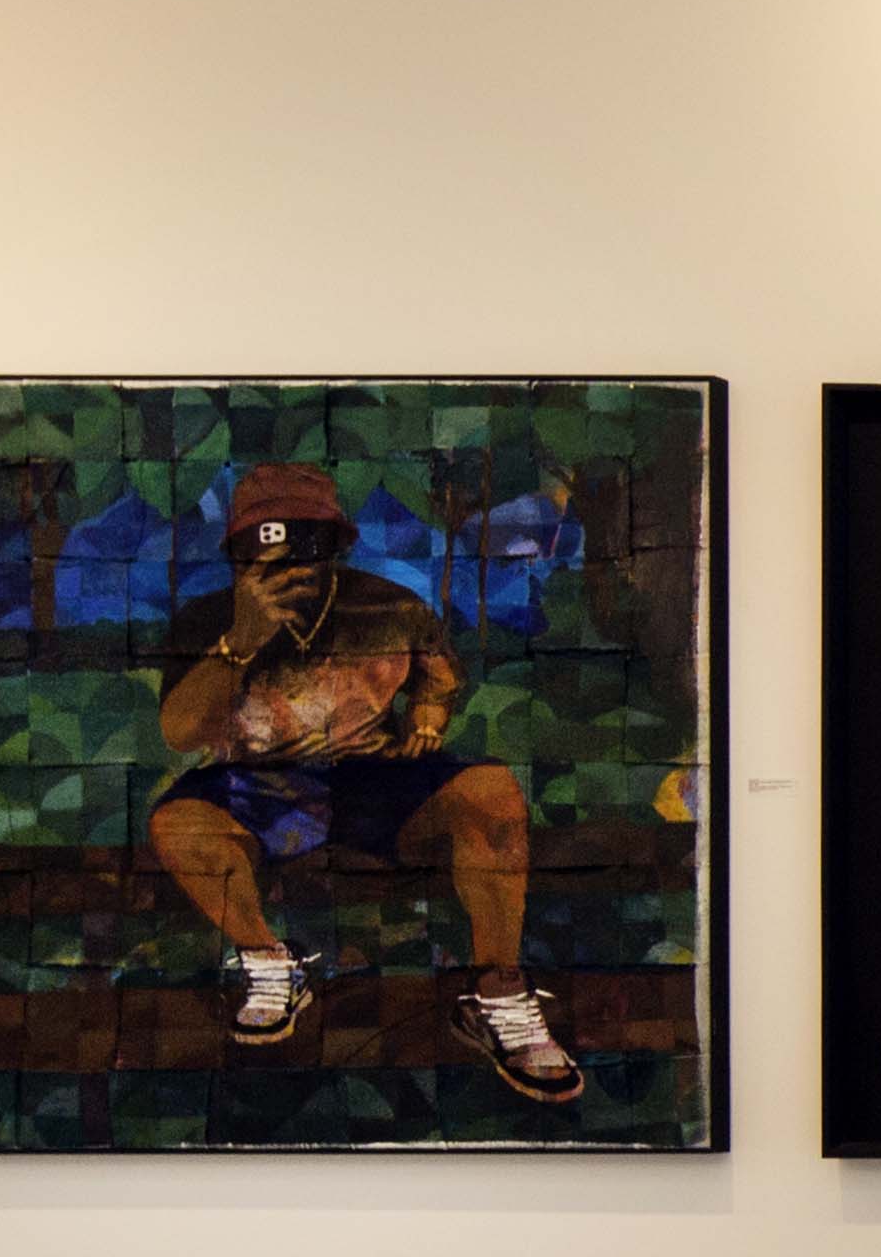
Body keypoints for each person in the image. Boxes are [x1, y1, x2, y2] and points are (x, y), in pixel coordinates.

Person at [144, 462, 581, 1103]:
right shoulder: (206, 620)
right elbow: (180, 734)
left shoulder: (390, 606)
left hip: (375, 774)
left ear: (335, 549)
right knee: (176, 822)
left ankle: (499, 993)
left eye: (304, 551)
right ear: (237, 557)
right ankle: (268, 962)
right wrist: (239, 641)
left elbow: (438, 680)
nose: (285, 570)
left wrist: (427, 719)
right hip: (256, 785)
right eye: (259, 555)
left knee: (490, 791)